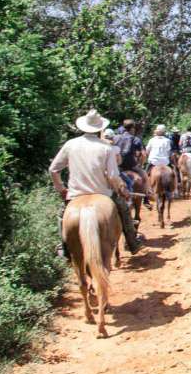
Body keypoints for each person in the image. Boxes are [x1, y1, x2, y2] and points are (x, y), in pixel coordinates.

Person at [50, 109, 144, 260]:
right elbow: (113, 176)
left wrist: (61, 189)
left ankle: (65, 248)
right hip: (103, 193)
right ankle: (133, 242)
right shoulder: (105, 147)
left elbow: (53, 170)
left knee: (62, 216)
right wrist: (122, 189)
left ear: (82, 127)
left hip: (76, 194)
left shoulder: (70, 144)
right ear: (100, 128)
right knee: (124, 209)